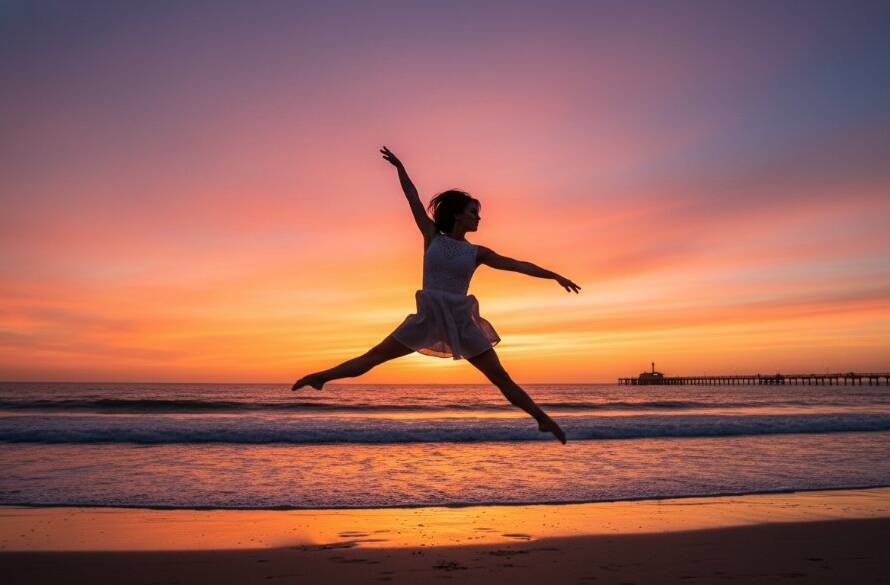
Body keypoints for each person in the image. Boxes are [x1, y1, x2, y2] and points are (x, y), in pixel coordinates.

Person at [292, 146, 581, 444]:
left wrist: (555, 276)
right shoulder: (431, 236)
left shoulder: (476, 252)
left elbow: (517, 264)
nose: (478, 218)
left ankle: (543, 419)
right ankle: (321, 377)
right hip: (427, 318)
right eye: (473, 213)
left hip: (460, 322)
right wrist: (400, 168)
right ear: (457, 214)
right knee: (374, 356)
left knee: (501, 378)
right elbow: (413, 199)